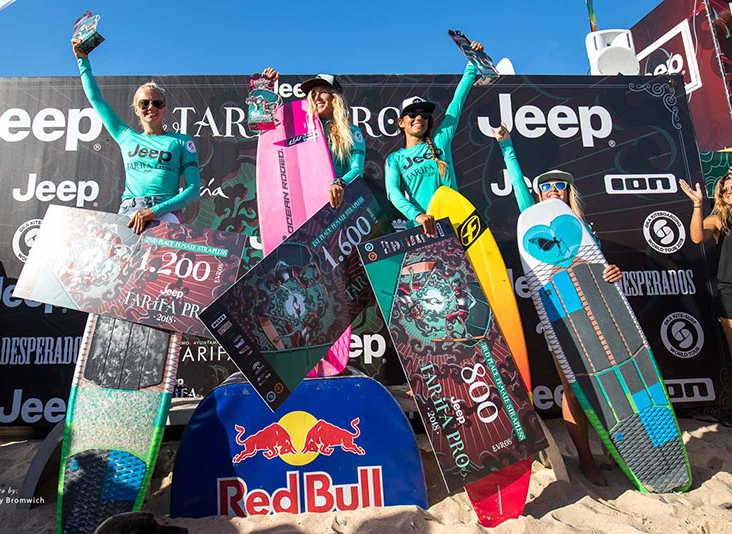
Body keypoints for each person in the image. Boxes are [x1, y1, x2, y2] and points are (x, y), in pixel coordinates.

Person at [493, 122, 621, 486]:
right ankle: (585, 459)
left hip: (598, 312)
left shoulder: (582, 227)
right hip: (560, 315)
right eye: (545, 186)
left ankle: (616, 452)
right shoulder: (531, 219)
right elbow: (520, 187)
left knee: (610, 387)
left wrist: (613, 273)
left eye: (559, 186)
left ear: (568, 193)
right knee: (576, 388)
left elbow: (600, 267)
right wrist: (506, 146)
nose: (552, 190)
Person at [71, 38, 200, 233]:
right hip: (129, 210)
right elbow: (96, 99)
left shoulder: (181, 142)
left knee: (159, 264)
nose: (151, 108)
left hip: (164, 211)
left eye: (157, 103)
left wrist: (154, 211)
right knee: (120, 262)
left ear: (164, 109)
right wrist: (83, 61)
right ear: (136, 109)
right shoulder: (126, 136)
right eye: (144, 104)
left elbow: (193, 191)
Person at [384, 41, 484, 237]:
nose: (418, 117)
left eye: (423, 114)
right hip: (420, 230)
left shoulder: (439, 142)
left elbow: (457, 102)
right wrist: (417, 215)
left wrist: (473, 63)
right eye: (412, 114)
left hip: (456, 226)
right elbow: (393, 193)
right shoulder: (394, 159)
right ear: (401, 122)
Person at [260, 68, 365, 208]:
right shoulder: (301, 126)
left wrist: (339, 183)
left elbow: (357, 169)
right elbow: (267, 126)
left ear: (335, 97)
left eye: (322, 92)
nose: (317, 97)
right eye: (313, 94)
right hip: (303, 201)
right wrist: (265, 87)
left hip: (336, 202)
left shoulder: (351, 132)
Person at [680, 172, 732, 358]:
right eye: (725, 189)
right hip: (729, 292)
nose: (729, 191)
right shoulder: (719, 219)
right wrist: (697, 204)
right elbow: (697, 237)